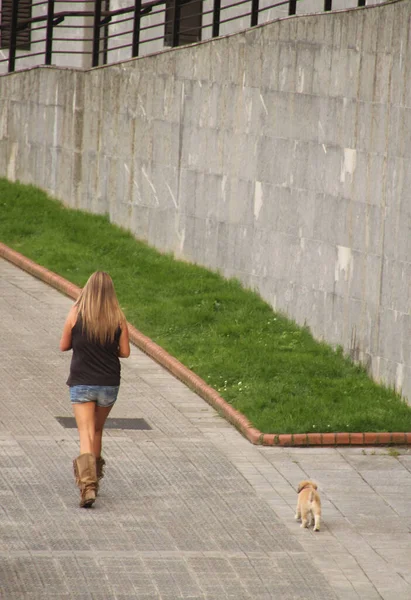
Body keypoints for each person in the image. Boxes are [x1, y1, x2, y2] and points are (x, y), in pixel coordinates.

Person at [59, 271, 130, 507]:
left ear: (87, 289)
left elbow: (64, 346)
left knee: (85, 432)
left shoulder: (76, 313)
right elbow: (125, 352)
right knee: (97, 430)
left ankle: (87, 485)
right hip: (109, 383)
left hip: (81, 382)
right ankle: (95, 479)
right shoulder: (118, 317)